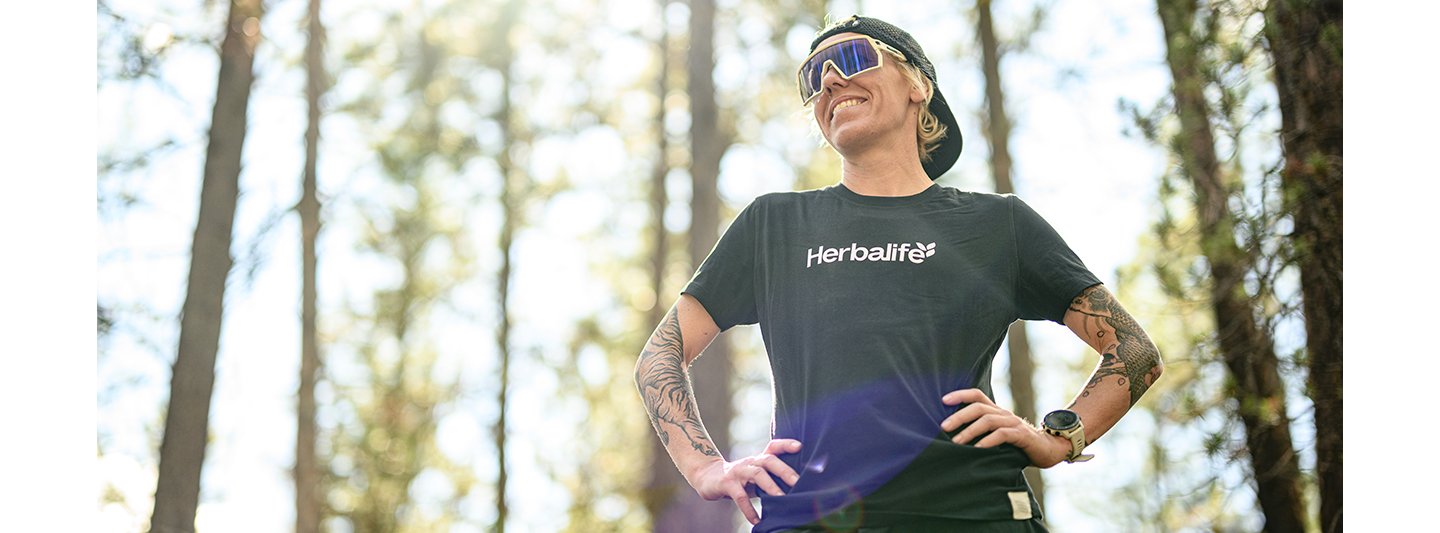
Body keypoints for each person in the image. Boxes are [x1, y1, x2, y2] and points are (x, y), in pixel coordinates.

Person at [634, 15, 1163, 533]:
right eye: (813, 75)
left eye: (852, 57)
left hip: (974, 515)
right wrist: (706, 467)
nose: (830, 81)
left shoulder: (999, 224)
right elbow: (660, 355)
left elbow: (1134, 349)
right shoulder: (773, 224)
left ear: (917, 85)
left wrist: (1056, 440)